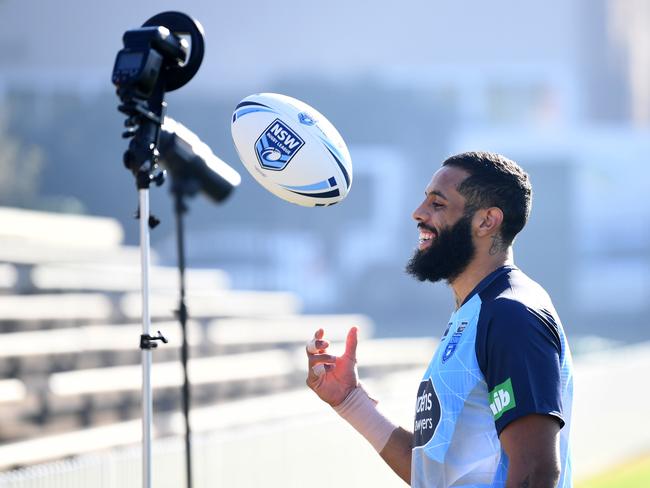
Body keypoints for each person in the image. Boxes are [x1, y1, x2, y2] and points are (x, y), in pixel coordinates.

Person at [306, 151, 573, 487]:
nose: (418, 213)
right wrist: (351, 401)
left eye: (437, 203)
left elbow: (536, 471)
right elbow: (436, 476)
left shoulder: (511, 315)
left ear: (487, 221)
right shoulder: (475, 313)